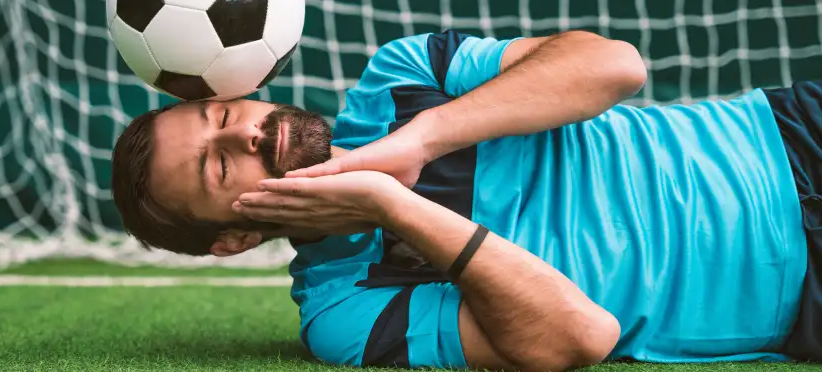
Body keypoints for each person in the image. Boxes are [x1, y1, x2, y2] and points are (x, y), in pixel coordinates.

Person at [110, 29, 821, 370]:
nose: (250, 134)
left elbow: (616, 66)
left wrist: (419, 143)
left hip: (790, 130)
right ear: (232, 238)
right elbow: (579, 338)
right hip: (801, 286)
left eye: (224, 116)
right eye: (216, 167)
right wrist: (393, 204)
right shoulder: (342, 311)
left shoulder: (401, 76)